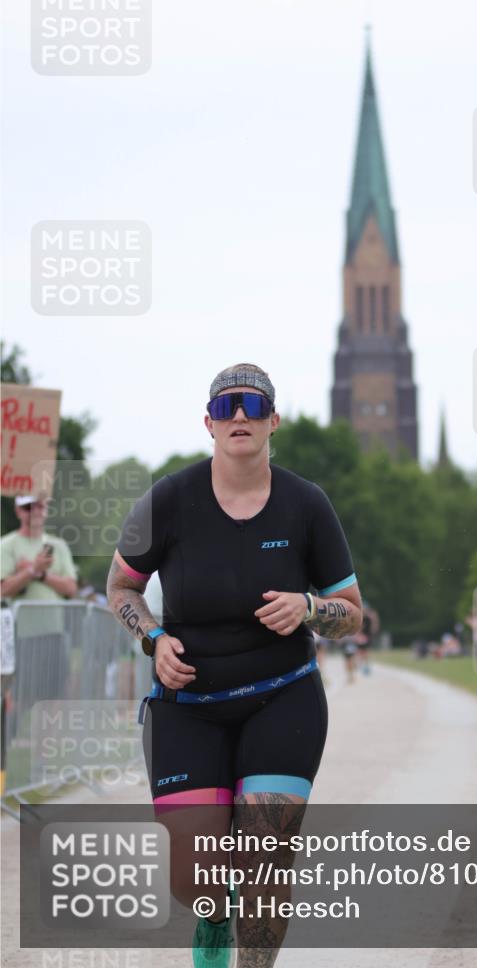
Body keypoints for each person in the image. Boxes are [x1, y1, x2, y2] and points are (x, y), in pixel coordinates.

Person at [106, 363, 362, 967]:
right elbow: (120, 587)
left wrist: (307, 607)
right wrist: (154, 639)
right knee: (194, 878)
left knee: (265, 857)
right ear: (209, 423)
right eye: (226, 408)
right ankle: (213, 915)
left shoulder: (307, 504)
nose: (239, 416)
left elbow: (351, 613)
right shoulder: (167, 499)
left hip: (283, 695)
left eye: (253, 405)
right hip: (188, 704)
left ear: (275, 420)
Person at [0, 494, 78, 713]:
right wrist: (32, 570)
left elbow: (71, 589)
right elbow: (3, 588)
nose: (34, 511)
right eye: (27, 507)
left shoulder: (58, 546)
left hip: (53, 634)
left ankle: (44, 747)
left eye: (39, 505)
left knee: (51, 702)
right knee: (17, 699)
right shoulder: (7, 545)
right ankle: (9, 745)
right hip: (19, 636)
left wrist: (40, 575)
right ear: (18, 511)